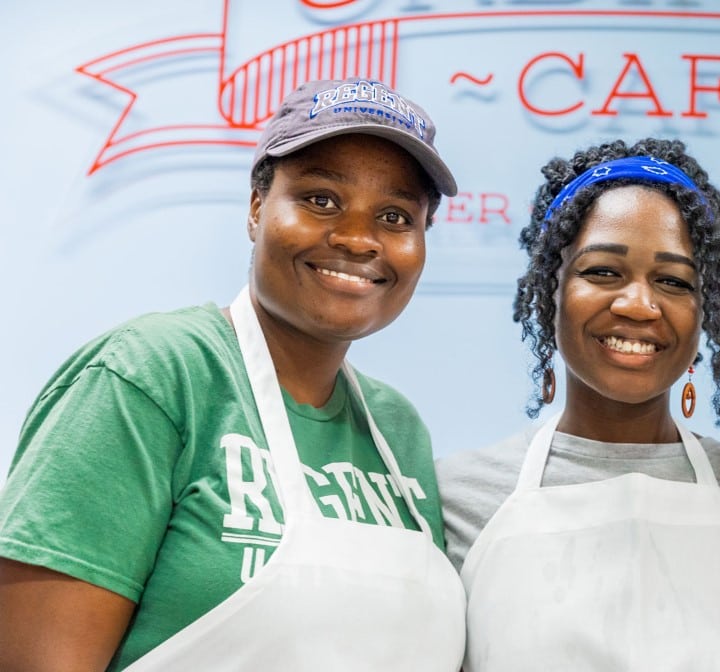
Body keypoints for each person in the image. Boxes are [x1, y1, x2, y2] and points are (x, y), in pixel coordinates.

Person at [0, 78, 465, 671]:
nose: (356, 238)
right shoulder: (153, 375)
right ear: (256, 208)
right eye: (321, 199)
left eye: (396, 215)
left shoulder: (397, 430)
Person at [436, 138, 720, 671]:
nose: (638, 305)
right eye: (603, 272)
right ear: (551, 291)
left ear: (705, 311)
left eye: (673, 281)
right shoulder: (454, 497)